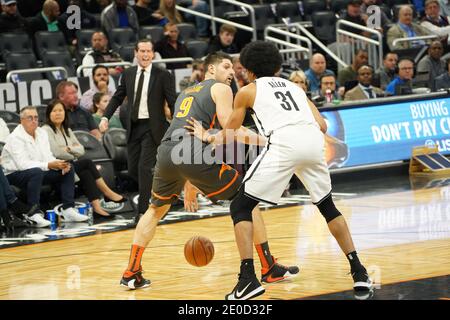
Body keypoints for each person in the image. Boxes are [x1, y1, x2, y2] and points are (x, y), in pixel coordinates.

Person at [191, 41, 372, 300]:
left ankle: (247, 280)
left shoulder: (247, 91)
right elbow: (321, 124)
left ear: (248, 70)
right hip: (312, 143)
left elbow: (230, 130)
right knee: (328, 207)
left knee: (240, 207)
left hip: (285, 144)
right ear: (277, 66)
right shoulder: (296, 88)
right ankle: (359, 271)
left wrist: (207, 138)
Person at [119, 51, 299, 290]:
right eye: (226, 67)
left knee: (154, 210)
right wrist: (267, 141)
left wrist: (188, 182)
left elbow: (185, 134)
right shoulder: (221, 89)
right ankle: (268, 267)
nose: (230, 74)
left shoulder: (186, 92)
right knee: (248, 202)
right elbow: (231, 128)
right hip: (190, 151)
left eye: (233, 71)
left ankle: (131, 272)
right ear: (210, 70)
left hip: (167, 151)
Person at [99, 39, 177, 218]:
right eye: (142, 51)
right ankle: (160, 190)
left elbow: (172, 102)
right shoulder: (128, 74)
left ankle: (143, 212)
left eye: (148, 51)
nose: (145, 55)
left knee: (143, 168)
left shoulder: (163, 74)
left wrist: (178, 123)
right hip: (134, 127)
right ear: (136, 53)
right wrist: (105, 117)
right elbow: (118, 97)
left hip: (154, 127)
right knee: (133, 169)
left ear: (153, 54)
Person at [1, 106, 88, 227]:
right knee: (36, 172)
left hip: (36, 171)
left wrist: (58, 163)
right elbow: (22, 164)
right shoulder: (15, 137)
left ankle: (68, 209)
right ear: (22, 120)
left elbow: (47, 156)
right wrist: (49, 164)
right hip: (12, 174)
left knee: (68, 167)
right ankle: (33, 213)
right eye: (30, 118)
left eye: (36, 117)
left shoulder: (41, 133)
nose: (34, 120)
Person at [42, 99, 126, 219]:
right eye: (54, 111)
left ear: (65, 113)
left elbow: (81, 150)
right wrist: (72, 150)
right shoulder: (46, 130)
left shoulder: (67, 129)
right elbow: (56, 152)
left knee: (86, 172)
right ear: (49, 114)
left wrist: (68, 149)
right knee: (87, 163)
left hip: (69, 165)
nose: (58, 113)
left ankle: (97, 208)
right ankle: (107, 192)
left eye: (60, 110)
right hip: (56, 168)